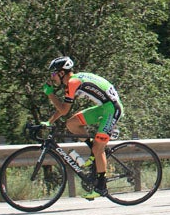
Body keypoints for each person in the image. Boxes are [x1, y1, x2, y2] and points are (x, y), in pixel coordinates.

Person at [43, 56, 122, 199]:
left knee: (98, 148)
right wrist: (49, 121)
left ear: (62, 73)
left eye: (53, 74)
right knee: (71, 123)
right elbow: (64, 111)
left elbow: (64, 110)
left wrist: (50, 95)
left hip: (112, 109)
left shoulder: (73, 82)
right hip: (104, 106)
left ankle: (101, 187)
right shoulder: (74, 80)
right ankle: (94, 151)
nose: (52, 77)